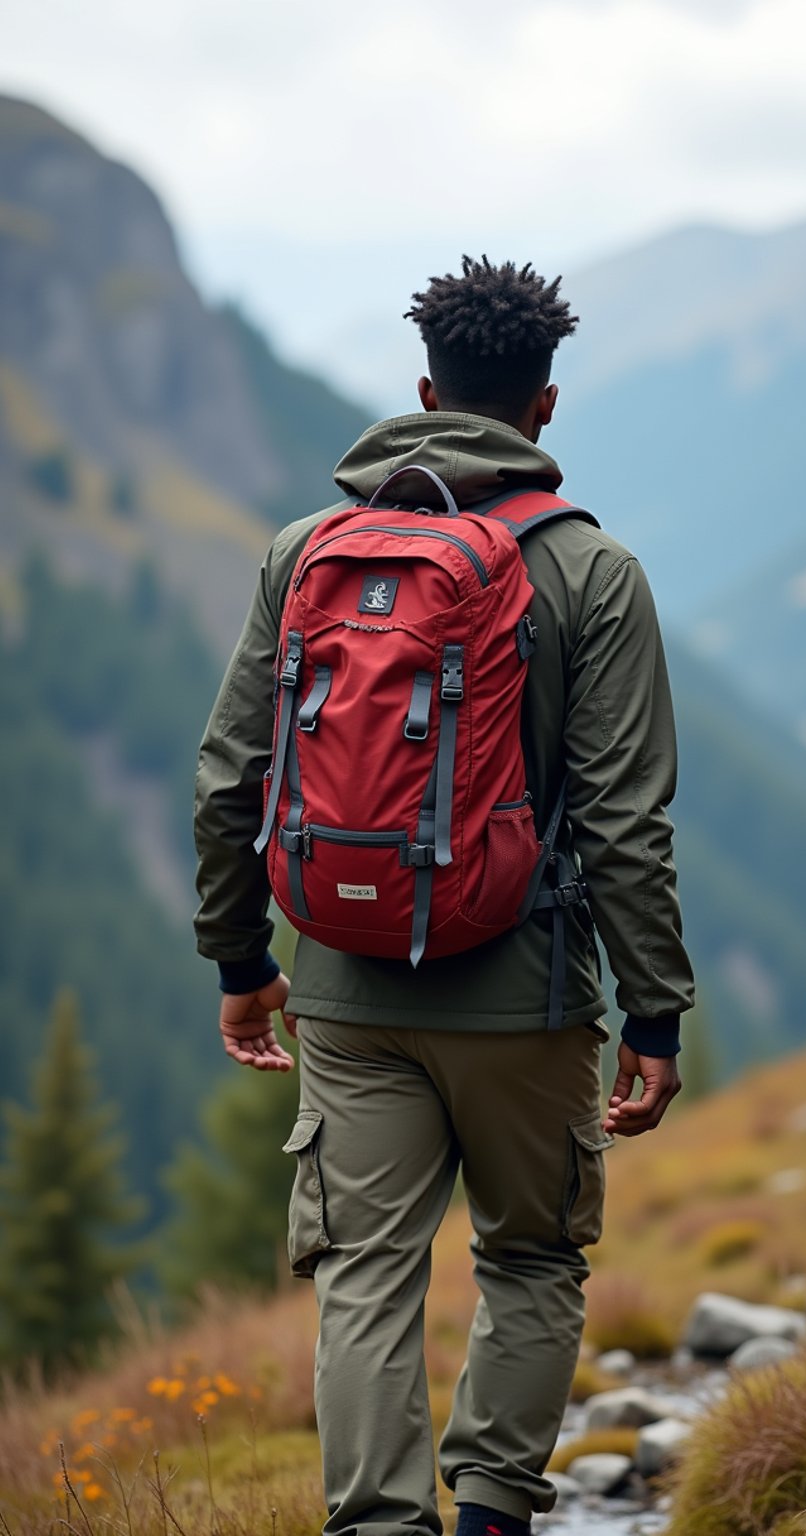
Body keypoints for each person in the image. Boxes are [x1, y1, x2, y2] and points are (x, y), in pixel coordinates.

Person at [193, 255, 695, 1536]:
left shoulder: (308, 554)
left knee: (366, 1272)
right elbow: (628, 826)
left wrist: (242, 964)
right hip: (523, 997)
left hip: (344, 989)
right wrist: (654, 1018)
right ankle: (490, 1517)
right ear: (544, 407)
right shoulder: (591, 571)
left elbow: (229, 780)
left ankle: (376, 1527)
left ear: (423, 388)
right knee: (529, 1257)